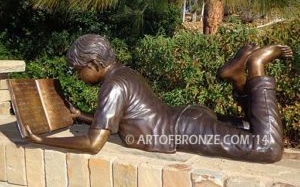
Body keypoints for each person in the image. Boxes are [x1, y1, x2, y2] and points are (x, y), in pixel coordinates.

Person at [26, 34, 293, 163]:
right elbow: (126, 119)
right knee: (251, 128)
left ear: (94, 63)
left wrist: (45, 141)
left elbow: (94, 143)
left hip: (184, 132)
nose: (78, 76)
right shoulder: (124, 73)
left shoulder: (113, 85)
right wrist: (82, 116)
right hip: (188, 121)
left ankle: (256, 66)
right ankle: (236, 77)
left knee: (267, 148)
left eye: (78, 70)